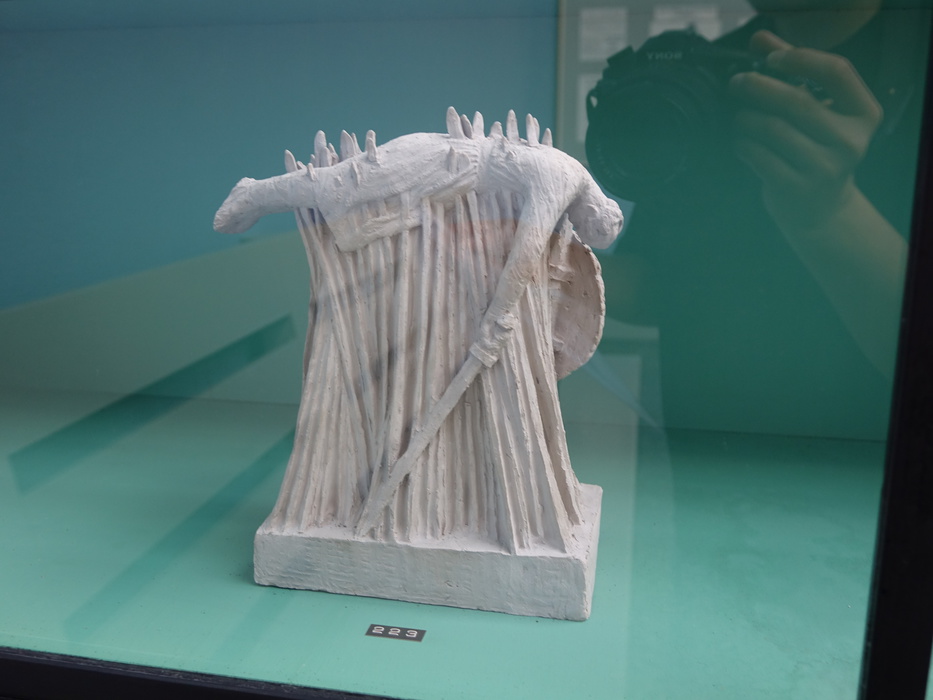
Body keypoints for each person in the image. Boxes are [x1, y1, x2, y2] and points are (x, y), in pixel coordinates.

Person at [595, 0, 929, 436]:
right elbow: (660, 285)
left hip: (868, 467)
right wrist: (533, 258)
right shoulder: (710, 68)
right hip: (706, 462)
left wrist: (832, 211)